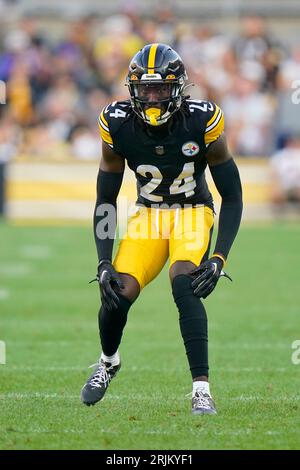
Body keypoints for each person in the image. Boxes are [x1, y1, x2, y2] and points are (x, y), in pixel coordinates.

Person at [81, 44, 243, 415]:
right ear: (132, 89)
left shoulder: (201, 120)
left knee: (185, 285)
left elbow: (232, 197)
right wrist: (103, 261)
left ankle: (201, 389)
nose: (152, 98)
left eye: (161, 89)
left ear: (179, 88)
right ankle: (108, 362)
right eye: (145, 89)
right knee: (116, 293)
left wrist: (219, 257)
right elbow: (105, 200)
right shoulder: (116, 122)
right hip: (148, 215)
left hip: (191, 211)